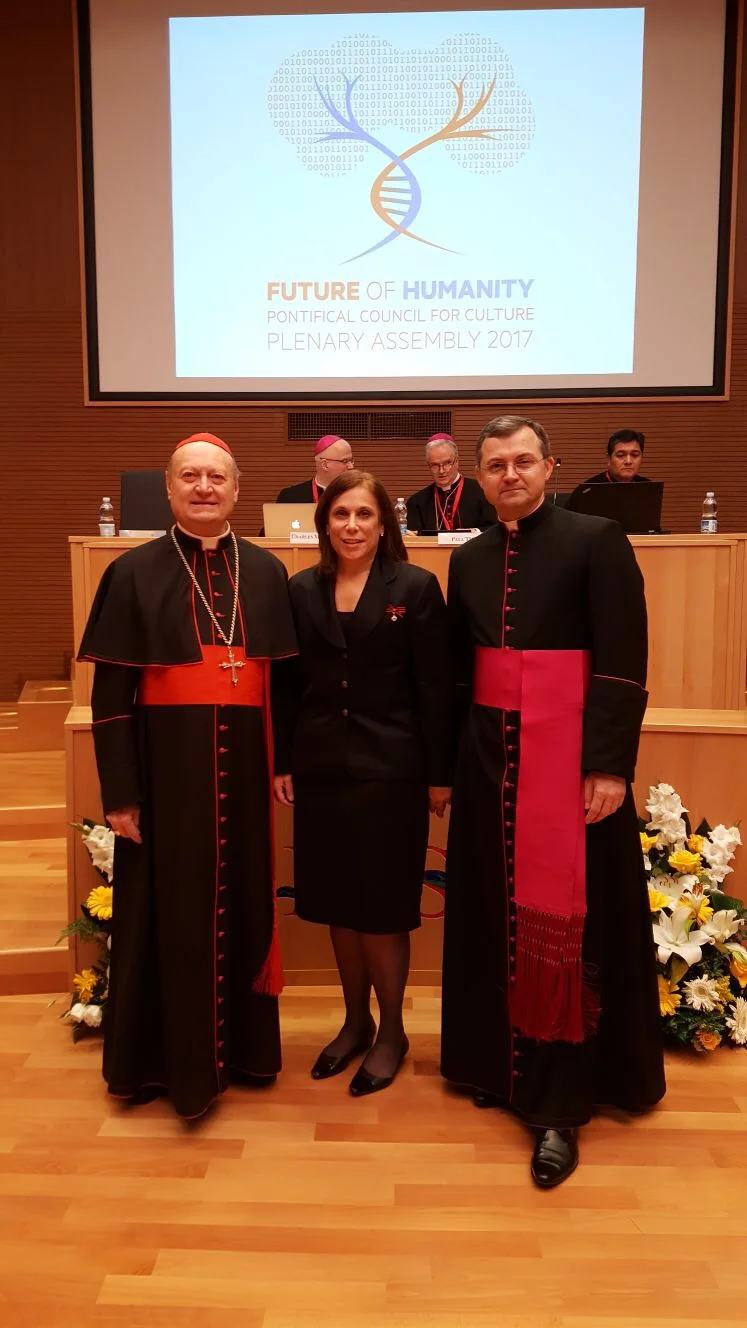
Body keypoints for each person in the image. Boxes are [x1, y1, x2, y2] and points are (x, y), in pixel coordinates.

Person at [441, 415, 665, 1188]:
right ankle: (497, 1065)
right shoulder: (467, 560)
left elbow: (623, 660)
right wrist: (449, 769)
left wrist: (608, 766)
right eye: (496, 464)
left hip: (569, 768)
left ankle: (561, 1105)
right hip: (486, 764)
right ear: (479, 476)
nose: (510, 474)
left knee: (568, 926)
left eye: (523, 461)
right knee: (489, 909)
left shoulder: (595, 538)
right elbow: (457, 674)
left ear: (550, 467)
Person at [77, 432, 297, 1119]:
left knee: (242, 903)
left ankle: (247, 1053)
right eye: (190, 477)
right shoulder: (133, 569)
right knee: (170, 911)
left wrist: (284, 764)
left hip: (246, 768)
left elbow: (282, 687)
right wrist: (120, 795)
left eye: (217, 478)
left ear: (236, 490)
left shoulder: (263, 571)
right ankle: (168, 1064)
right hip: (167, 772)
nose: (204, 488)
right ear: (169, 489)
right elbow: (110, 701)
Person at [273, 470, 452, 1096]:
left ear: (385, 524)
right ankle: (354, 1021)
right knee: (336, 907)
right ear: (324, 523)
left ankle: (393, 1033)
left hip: (391, 774)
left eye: (365, 515)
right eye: (341, 514)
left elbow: (436, 687)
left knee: (381, 911)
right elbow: (288, 686)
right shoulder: (301, 589)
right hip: (321, 771)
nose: (352, 526)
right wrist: (283, 760)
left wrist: (439, 776)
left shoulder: (417, 587)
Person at [406, 433, 496, 532]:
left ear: (457, 461)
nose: (441, 471)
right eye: (435, 465)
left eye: (447, 463)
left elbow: (495, 528)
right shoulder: (416, 502)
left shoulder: (482, 491)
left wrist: (474, 531)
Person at [275, 435, 354, 503]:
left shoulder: (358, 494)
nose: (351, 466)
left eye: (351, 460)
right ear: (325, 465)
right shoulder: (290, 497)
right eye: (345, 461)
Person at [584, 429, 650, 484]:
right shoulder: (588, 489)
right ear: (609, 458)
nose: (628, 461)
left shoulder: (649, 487)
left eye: (635, 455)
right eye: (620, 455)